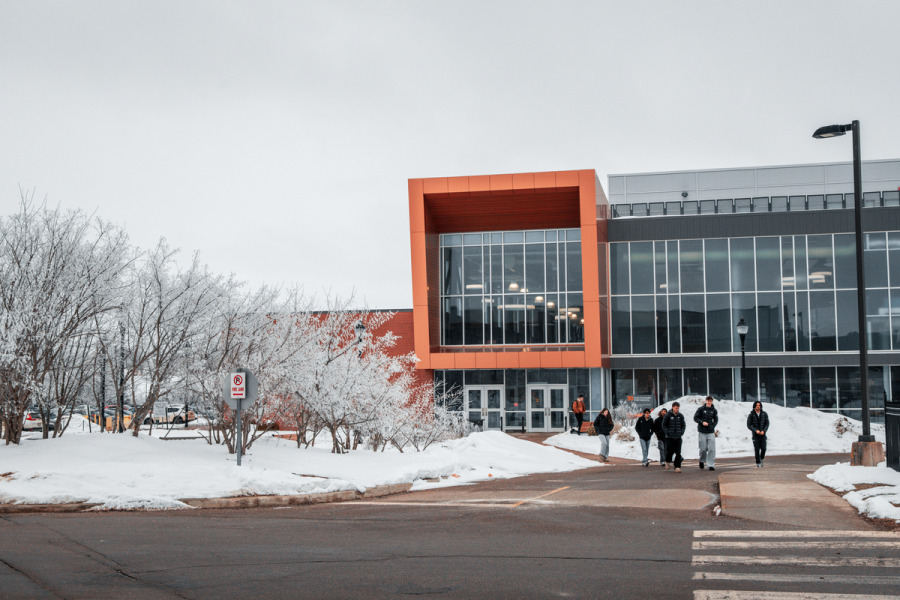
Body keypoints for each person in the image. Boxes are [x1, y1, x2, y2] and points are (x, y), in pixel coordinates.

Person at [693, 396, 718, 471]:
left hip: (710, 431)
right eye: (708, 401)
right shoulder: (701, 409)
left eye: (710, 401)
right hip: (702, 431)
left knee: (711, 449)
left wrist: (713, 425)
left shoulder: (714, 410)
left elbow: (716, 419)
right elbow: (695, 418)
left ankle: (710, 464)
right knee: (703, 448)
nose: (709, 402)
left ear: (712, 402)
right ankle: (702, 460)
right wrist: (702, 422)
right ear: (706, 401)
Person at [662, 402, 686, 472]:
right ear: (673, 407)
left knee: (678, 452)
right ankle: (667, 461)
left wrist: (681, 432)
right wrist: (668, 432)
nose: (677, 409)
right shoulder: (668, 415)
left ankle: (677, 467)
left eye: (678, 408)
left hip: (678, 437)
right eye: (676, 408)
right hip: (670, 437)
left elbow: (683, 425)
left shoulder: (680, 416)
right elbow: (664, 425)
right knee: (670, 451)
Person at [747, 400, 770, 467]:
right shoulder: (751, 415)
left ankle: (761, 458)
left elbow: (767, 423)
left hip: (763, 435)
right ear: (754, 406)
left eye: (759, 406)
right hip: (755, 435)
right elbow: (749, 425)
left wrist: (764, 430)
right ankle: (758, 463)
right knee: (757, 449)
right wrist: (755, 430)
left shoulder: (764, 414)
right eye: (757, 406)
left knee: (763, 448)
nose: (758, 407)